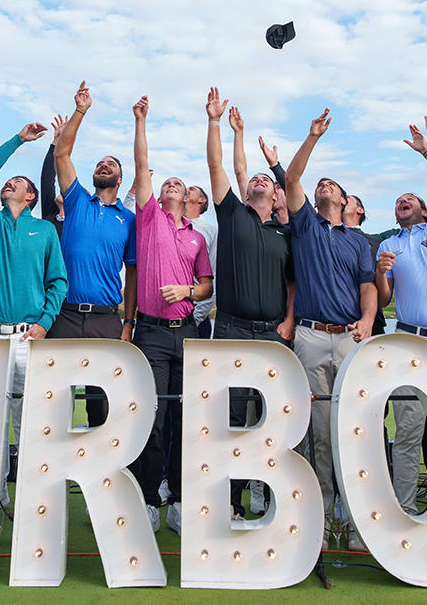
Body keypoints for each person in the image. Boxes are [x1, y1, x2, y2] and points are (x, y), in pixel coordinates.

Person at [283, 107, 377, 548]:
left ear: (345, 202)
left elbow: (368, 287)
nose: (323, 187)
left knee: (355, 428)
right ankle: (320, 524)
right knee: (318, 431)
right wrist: (312, 136)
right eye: (321, 184)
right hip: (311, 336)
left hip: (351, 337)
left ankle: (358, 523)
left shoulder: (359, 241)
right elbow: (293, 180)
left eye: (332, 186)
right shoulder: (304, 225)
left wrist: (368, 321)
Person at [0, 120, 68, 505]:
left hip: (28, 337)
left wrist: (44, 323)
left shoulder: (43, 230)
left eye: (18, 183)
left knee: (29, 420)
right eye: (8, 183)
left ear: (30, 197)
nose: (9, 184)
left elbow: (58, 282)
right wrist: (18, 140)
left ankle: (30, 496)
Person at [126, 96, 214, 533]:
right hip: (152, 333)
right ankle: (146, 498)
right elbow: (142, 168)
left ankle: (178, 499)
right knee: (154, 416)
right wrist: (142, 121)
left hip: (189, 332)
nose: (171, 186)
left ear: (188, 198)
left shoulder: (197, 237)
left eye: (180, 184)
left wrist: (188, 290)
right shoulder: (149, 219)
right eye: (167, 184)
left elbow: (206, 285)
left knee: (185, 418)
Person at [206, 92, 294, 518]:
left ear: (277, 193)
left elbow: (293, 284)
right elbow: (224, 167)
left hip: (274, 334)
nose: (258, 180)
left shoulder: (285, 233)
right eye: (253, 180)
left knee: (274, 419)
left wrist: (290, 321)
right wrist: (222, 126)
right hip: (233, 330)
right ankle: (231, 503)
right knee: (233, 419)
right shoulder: (233, 215)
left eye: (266, 180)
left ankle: (267, 493)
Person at [374, 110, 427, 517]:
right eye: (397, 202)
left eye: (409, 199)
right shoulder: (387, 244)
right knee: (408, 432)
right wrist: (381, 272)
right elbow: (386, 294)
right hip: (410, 341)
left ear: (426, 211)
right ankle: (405, 508)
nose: (402, 201)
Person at [48, 80, 138, 426]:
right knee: (57, 400)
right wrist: (80, 111)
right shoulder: (76, 201)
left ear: (119, 177)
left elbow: (131, 275)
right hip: (65, 314)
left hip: (105, 318)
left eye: (110, 164)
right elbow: (61, 154)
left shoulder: (128, 220)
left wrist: (127, 322)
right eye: (99, 163)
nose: (103, 165)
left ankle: (100, 476)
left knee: (103, 402)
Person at [340, 195, 386, 336]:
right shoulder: (325, 238)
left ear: (360, 210)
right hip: (339, 322)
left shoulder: (376, 243)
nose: (341, 201)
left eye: (346, 200)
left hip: (373, 324)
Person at [185, 185, 218, 338]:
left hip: (196, 315)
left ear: (202, 199)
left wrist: (196, 317)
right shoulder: (168, 224)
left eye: (191, 188)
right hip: (167, 313)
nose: (186, 189)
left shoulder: (211, 231)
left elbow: (214, 274)